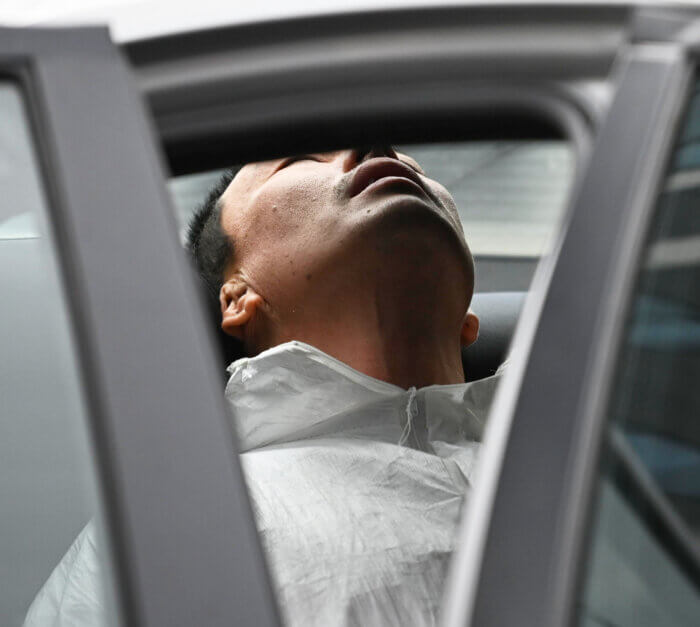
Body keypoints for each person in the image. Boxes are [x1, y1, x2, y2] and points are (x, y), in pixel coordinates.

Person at [24, 146, 504, 627]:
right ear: (236, 298)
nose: (373, 147)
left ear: (467, 321)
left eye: (415, 165)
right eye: (301, 160)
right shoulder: (170, 527)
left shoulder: (573, 442)